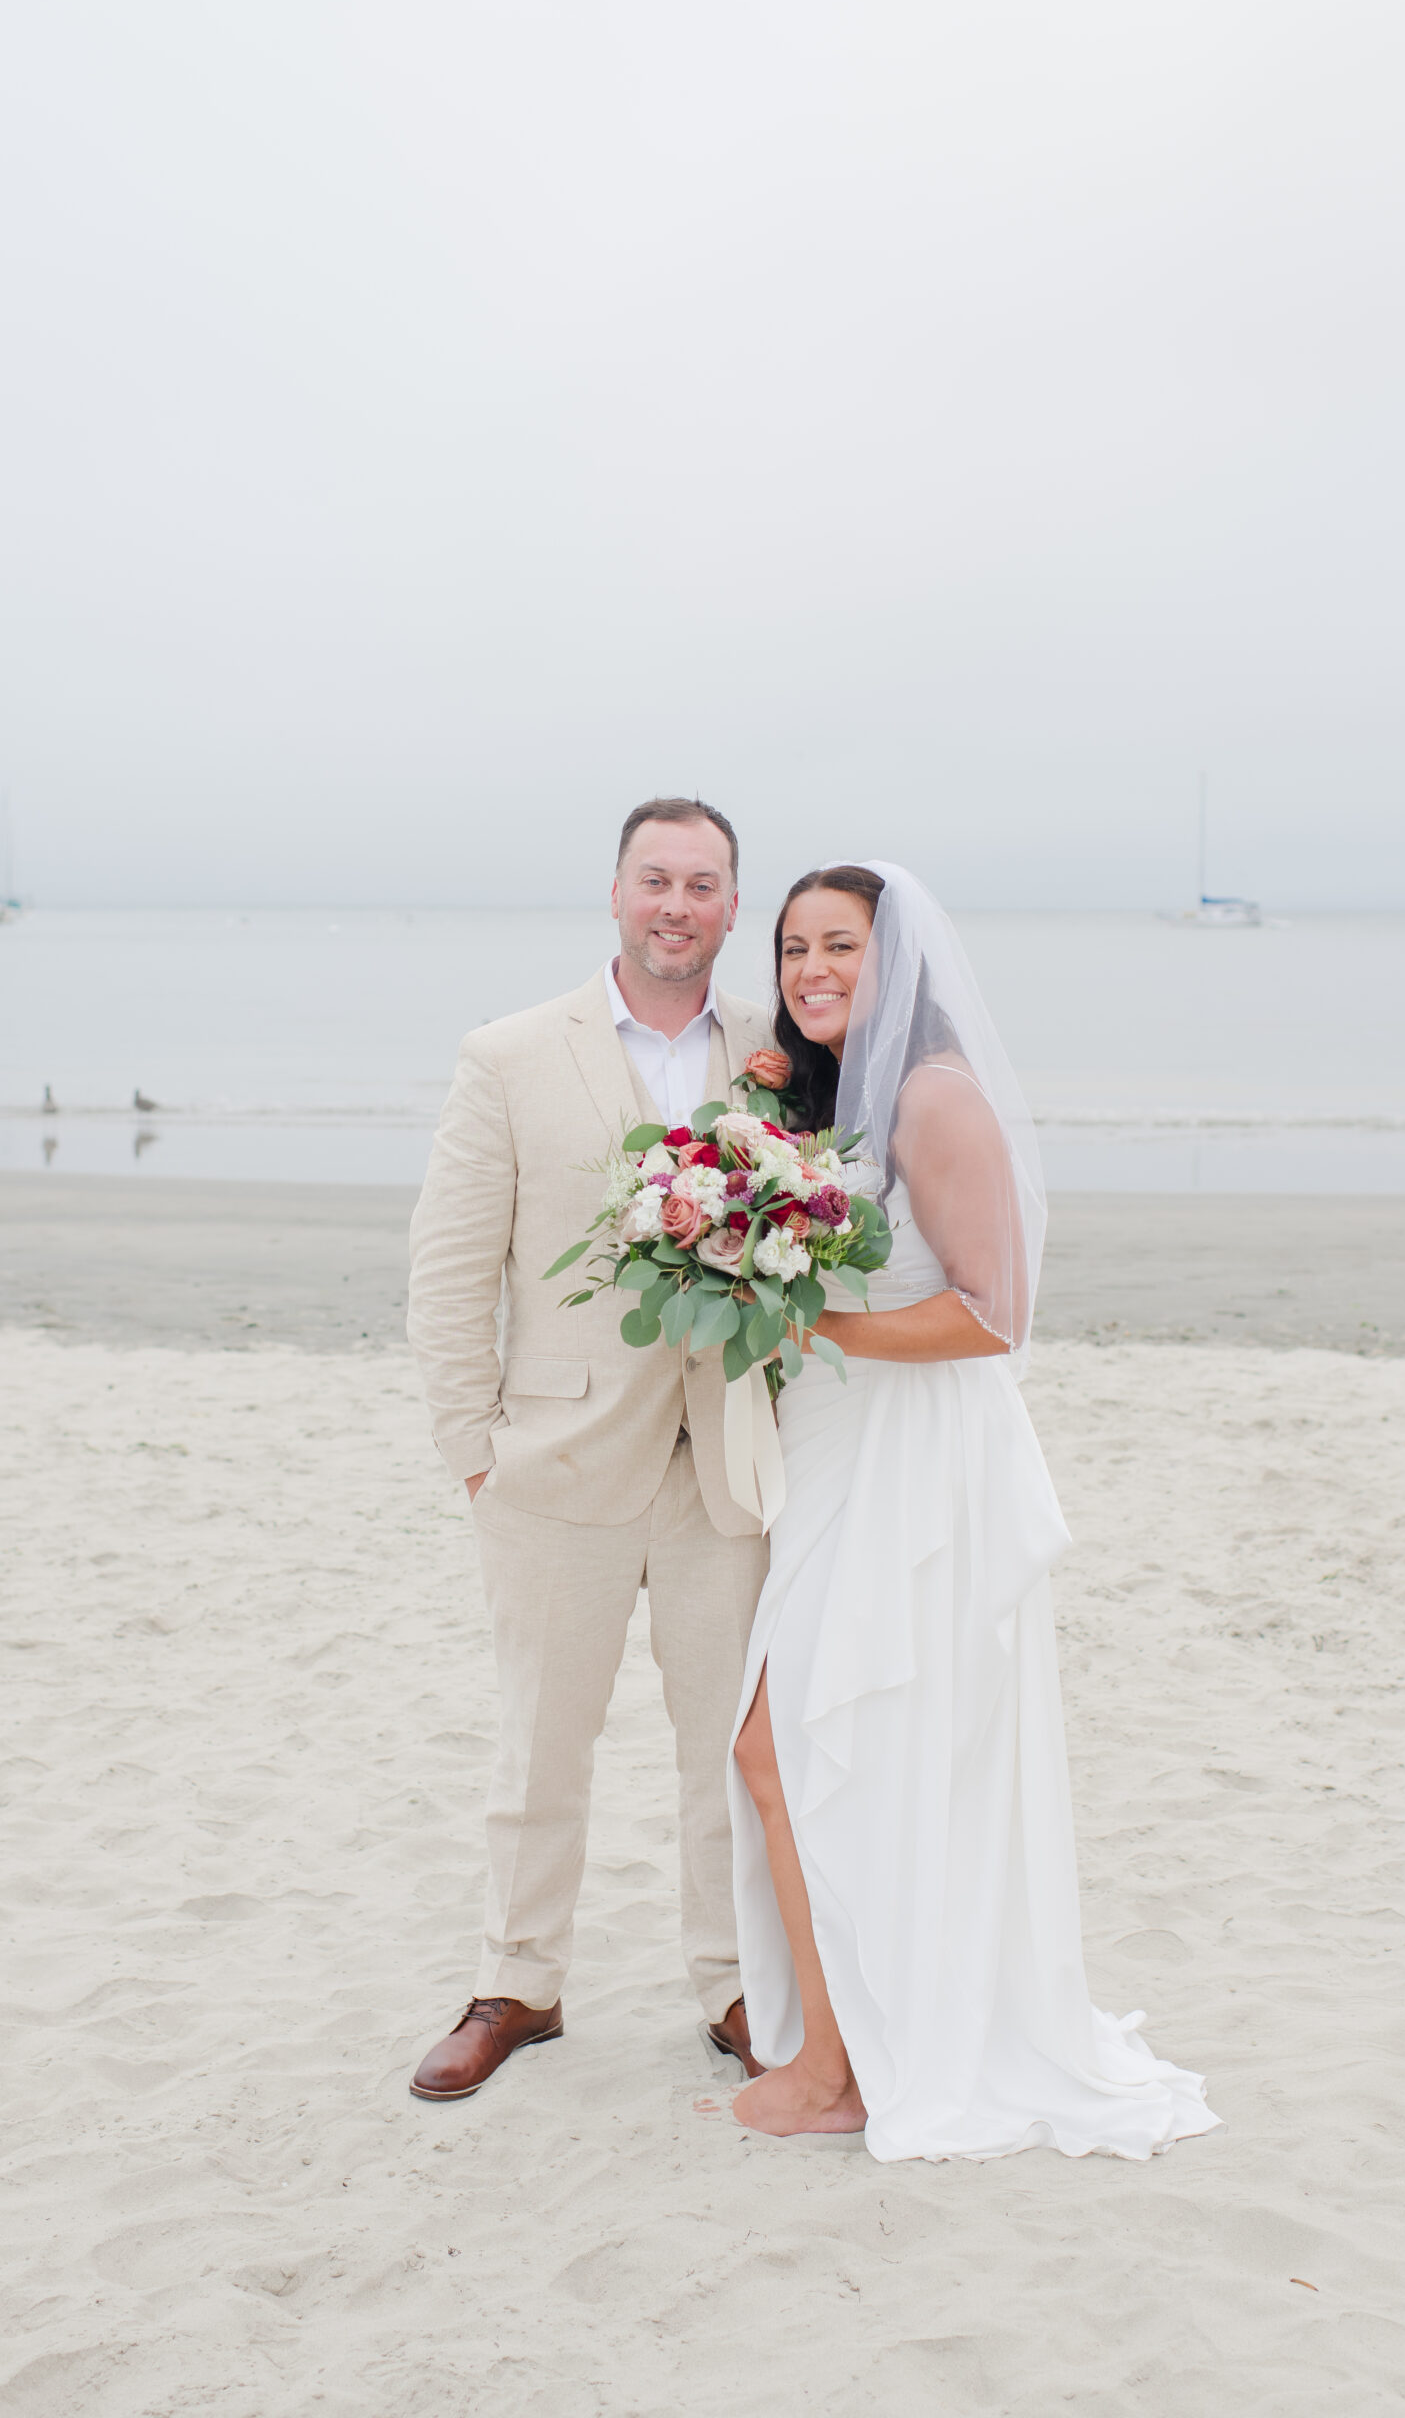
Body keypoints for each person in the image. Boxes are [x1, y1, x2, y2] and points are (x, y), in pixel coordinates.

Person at [728, 863, 1220, 2161]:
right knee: (814, 1751)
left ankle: (839, 2067)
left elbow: (990, 1315)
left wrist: (803, 1312)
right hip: (839, 1447)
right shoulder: (841, 1098)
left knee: (798, 1746)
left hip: (916, 1457)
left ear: (901, 962)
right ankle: (842, 2046)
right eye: (790, 949)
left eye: (839, 944)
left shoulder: (937, 1097)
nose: (810, 969)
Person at [407, 799, 775, 2100]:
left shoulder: (779, 1055)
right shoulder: (509, 1055)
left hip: (724, 1470)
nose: (678, 904)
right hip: (553, 1466)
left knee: (722, 1747)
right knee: (539, 1740)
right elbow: (451, 1266)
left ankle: (734, 1984)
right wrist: (472, 1447)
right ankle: (519, 1982)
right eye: (655, 880)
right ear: (615, 894)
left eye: (704, 884)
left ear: (734, 906)